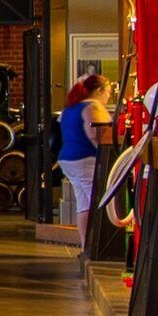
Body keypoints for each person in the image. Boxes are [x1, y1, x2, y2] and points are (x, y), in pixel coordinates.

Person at [56, 74, 103, 236]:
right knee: (98, 200)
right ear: (99, 90)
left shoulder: (69, 108)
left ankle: (85, 246)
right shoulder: (93, 106)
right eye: (109, 91)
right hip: (85, 158)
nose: (108, 96)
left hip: (68, 159)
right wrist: (103, 153)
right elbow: (93, 134)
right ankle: (99, 245)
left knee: (83, 204)